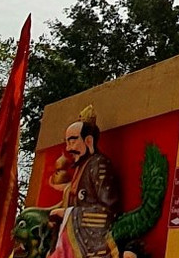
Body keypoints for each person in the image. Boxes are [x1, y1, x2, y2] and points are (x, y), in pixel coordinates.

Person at [48, 106, 122, 258]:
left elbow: (108, 210)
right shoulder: (80, 168)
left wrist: (68, 214)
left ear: (88, 141)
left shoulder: (99, 165)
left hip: (91, 240)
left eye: (72, 142)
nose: (68, 149)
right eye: (66, 143)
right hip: (71, 235)